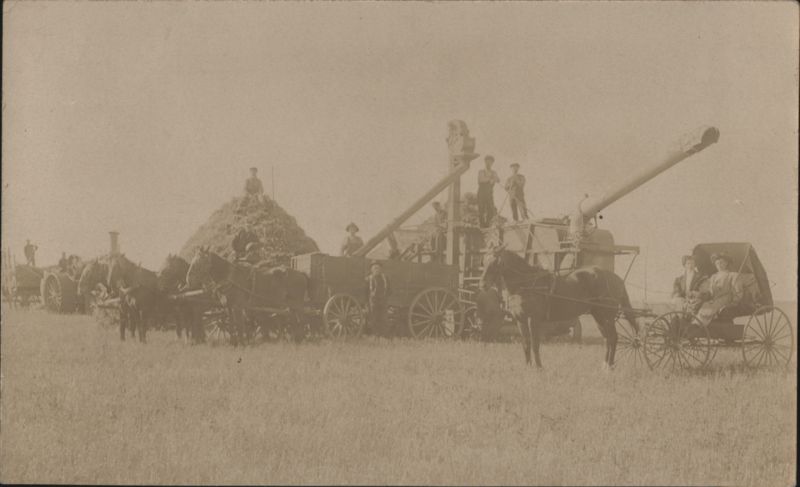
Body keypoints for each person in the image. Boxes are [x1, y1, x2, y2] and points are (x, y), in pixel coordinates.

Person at [696, 253, 742, 325]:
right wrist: (702, 295)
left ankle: (701, 326)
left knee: (711, 309)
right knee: (704, 306)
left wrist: (734, 302)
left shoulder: (732, 275)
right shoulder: (714, 276)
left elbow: (738, 291)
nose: (719, 265)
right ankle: (698, 324)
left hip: (726, 299)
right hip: (715, 299)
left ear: (726, 263)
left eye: (721, 262)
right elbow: (711, 292)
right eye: (717, 263)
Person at [366, 261, 391, 337]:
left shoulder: (385, 278)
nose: (376, 269)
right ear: (372, 270)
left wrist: (385, 296)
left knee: (384, 318)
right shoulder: (369, 278)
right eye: (374, 268)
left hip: (383, 300)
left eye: (378, 268)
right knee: (374, 318)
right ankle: (375, 334)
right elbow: (365, 290)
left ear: (381, 269)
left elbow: (389, 288)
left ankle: (384, 335)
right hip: (373, 301)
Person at [477, 155, 500, 228]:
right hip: (481, 192)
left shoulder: (494, 172)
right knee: (481, 209)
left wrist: (494, 179)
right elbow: (481, 180)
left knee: (491, 210)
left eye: (490, 162)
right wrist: (490, 179)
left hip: (489, 193)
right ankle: (482, 225)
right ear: (485, 162)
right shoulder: (481, 171)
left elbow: (498, 180)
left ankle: (486, 225)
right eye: (487, 161)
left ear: (492, 163)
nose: (489, 163)